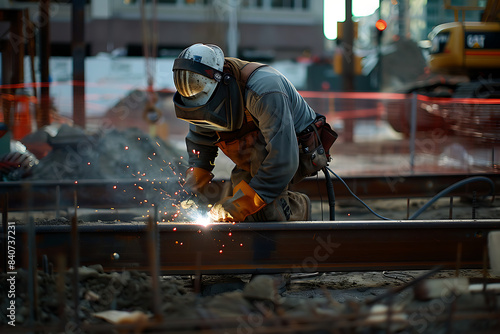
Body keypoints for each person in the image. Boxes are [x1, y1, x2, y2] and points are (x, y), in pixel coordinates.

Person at [172, 43, 335, 222]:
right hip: (253, 151)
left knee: (264, 210)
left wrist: (242, 203)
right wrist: (192, 189)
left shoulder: (265, 89)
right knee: (239, 211)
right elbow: (200, 144)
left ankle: (299, 207)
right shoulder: (202, 99)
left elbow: (283, 159)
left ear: (222, 81)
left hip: (294, 150)